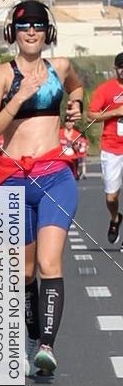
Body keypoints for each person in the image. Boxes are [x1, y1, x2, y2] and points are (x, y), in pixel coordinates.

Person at [0, 0, 84, 376]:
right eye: (25, 26)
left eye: (39, 26)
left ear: (47, 33)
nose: (31, 32)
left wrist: (75, 104)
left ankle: (47, 347)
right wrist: (20, 97)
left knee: (48, 262)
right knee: (23, 274)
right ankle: (30, 338)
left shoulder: (60, 67)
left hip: (55, 174)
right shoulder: (0, 75)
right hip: (13, 178)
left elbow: (76, 87)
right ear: (13, 33)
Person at [88, 52, 123, 244]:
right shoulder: (106, 89)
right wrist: (116, 112)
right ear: (115, 68)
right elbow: (91, 115)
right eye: (121, 67)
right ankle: (115, 218)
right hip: (112, 148)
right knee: (111, 197)